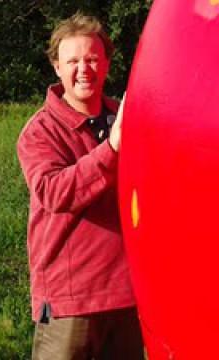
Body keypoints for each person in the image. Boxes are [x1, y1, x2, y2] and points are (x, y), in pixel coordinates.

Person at [16, 12, 144, 360]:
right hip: (70, 301)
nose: (83, 69)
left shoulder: (126, 116)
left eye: (92, 59)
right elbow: (54, 192)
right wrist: (112, 148)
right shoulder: (40, 132)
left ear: (106, 64)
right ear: (57, 66)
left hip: (126, 295)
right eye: (73, 60)